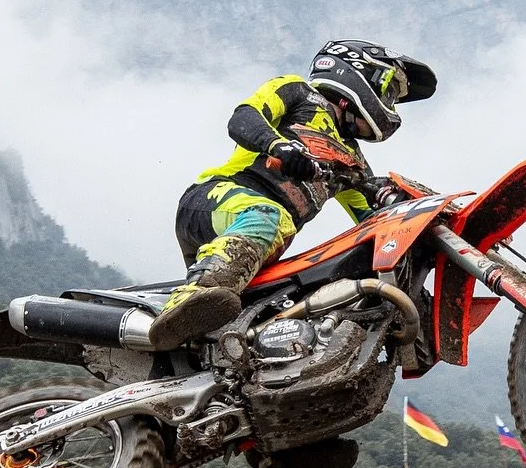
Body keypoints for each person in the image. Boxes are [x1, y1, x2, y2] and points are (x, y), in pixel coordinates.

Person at [150, 42, 436, 351]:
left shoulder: (351, 162)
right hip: (215, 201)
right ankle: (192, 298)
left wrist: (416, 227)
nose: (390, 103)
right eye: (390, 91)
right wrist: (277, 146)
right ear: (357, 71)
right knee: (270, 216)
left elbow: (374, 221)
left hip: (253, 247)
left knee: (286, 292)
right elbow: (243, 119)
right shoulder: (298, 92)